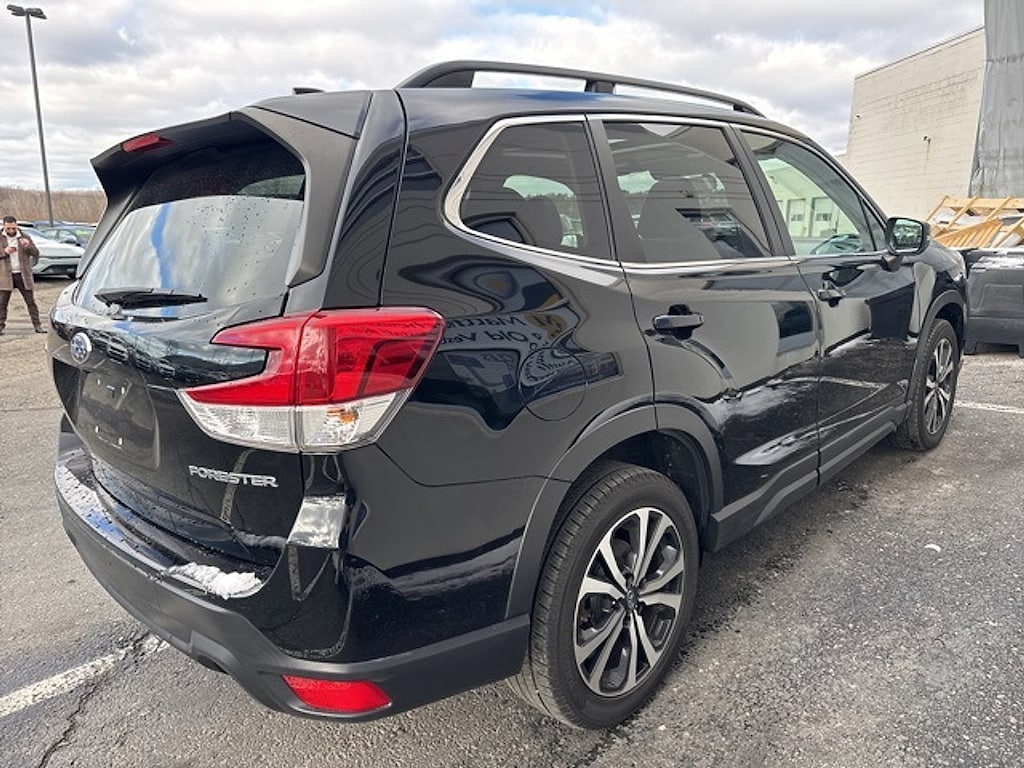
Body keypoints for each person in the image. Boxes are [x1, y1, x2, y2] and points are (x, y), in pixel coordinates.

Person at [0, 215, 44, 334]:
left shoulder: (25, 237)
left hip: (23, 275)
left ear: (16, 226)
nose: (11, 231)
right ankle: (0, 326)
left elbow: (36, 253)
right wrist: (5, 252)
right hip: (5, 276)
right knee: (2, 303)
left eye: (13, 228)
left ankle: (37, 325)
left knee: (31, 302)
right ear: (4, 226)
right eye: (8, 228)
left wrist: (27, 246)